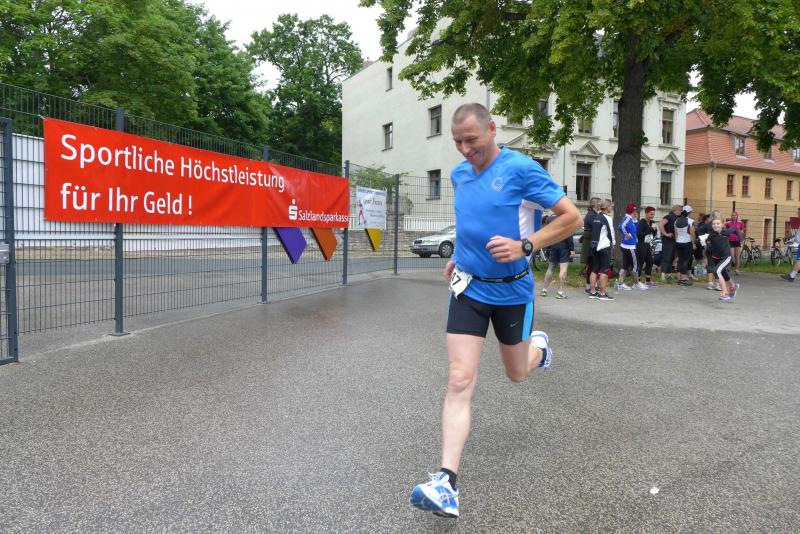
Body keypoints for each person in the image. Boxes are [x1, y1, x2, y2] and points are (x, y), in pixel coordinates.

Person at [409, 103, 582, 518]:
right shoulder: (459, 173)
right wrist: (460, 255)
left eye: (471, 139)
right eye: (457, 141)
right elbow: (471, 220)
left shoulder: (521, 169)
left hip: (512, 291)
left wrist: (526, 245)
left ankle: (539, 349)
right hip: (468, 288)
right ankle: (446, 482)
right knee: (459, 379)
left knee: (516, 373)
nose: (465, 149)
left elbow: (571, 218)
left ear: (492, 128)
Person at [704, 217, 742, 300]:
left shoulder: (726, 232)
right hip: (717, 257)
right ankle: (733, 286)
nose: (715, 225)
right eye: (714, 224)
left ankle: (725, 293)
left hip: (726, 257)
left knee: (716, 271)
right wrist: (707, 246)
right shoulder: (711, 235)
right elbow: (708, 243)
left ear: (722, 225)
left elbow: (735, 228)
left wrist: (740, 238)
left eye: (718, 223)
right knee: (723, 273)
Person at [541, 214, 575, 299]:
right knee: (563, 270)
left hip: (554, 246)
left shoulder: (551, 219)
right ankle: (560, 292)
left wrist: (549, 246)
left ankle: (544, 290)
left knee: (550, 268)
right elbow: (569, 235)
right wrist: (572, 249)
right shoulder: (566, 218)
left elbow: (549, 234)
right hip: (564, 248)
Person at [588, 199, 616, 300]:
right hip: (604, 247)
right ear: (607, 207)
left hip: (595, 247)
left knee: (594, 269)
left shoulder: (596, 217)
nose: (612, 208)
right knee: (605, 270)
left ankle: (592, 292)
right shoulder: (607, 218)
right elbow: (611, 232)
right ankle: (602, 294)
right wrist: (613, 243)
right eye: (611, 206)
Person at [617, 203, 647, 290]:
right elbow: (620, 227)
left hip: (628, 245)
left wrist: (636, 220)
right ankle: (636, 283)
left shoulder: (630, 219)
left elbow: (634, 230)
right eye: (635, 210)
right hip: (629, 246)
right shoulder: (627, 219)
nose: (636, 212)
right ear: (633, 211)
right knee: (636, 265)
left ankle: (620, 283)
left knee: (625, 265)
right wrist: (627, 235)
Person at [581, 198, 601, 294]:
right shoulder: (591, 215)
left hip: (592, 242)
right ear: (594, 205)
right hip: (590, 244)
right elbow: (595, 229)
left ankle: (593, 284)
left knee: (593, 265)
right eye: (599, 203)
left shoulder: (593, 214)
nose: (601, 205)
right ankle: (589, 285)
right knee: (591, 265)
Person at [674, 205, 696, 286]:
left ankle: (679, 278)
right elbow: (692, 233)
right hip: (687, 242)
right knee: (685, 260)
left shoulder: (676, 221)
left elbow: (676, 233)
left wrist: (676, 241)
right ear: (689, 212)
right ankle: (684, 278)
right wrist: (693, 243)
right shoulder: (690, 221)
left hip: (678, 242)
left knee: (680, 260)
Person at [658, 205, 682, 281]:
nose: (681, 212)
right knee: (666, 257)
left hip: (675, 241)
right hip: (668, 240)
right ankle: (663, 274)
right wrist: (666, 234)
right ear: (676, 210)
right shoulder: (669, 216)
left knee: (672, 257)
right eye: (680, 210)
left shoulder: (678, 218)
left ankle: (668, 273)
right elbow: (660, 224)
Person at [636, 206, 658, 285]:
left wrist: (654, 231)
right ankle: (637, 280)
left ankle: (647, 280)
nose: (652, 216)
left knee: (650, 261)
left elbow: (654, 233)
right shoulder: (642, 222)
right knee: (640, 262)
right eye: (651, 214)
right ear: (646, 213)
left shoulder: (653, 222)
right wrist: (650, 229)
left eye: (653, 214)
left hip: (648, 244)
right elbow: (639, 234)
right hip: (641, 244)